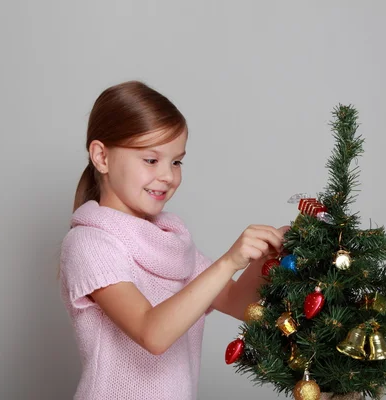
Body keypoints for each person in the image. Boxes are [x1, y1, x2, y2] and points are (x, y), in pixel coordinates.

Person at [59, 80, 288, 400]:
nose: (168, 176)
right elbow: (152, 333)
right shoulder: (90, 244)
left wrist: (269, 256)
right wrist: (228, 261)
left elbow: (240, 304)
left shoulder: (170, 241)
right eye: (151, 160)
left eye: (176, 161)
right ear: (102, 157)